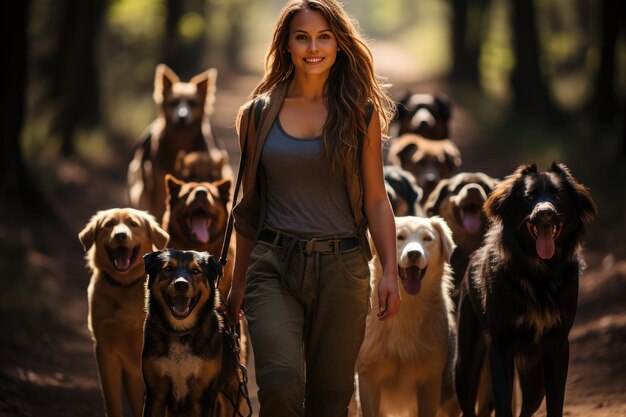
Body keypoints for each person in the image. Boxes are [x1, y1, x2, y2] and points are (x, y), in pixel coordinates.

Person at [225, 1, 401, 416]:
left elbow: (377, 198)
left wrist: (389, 270)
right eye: (301, 37)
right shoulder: (257, 115)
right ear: (286, 45)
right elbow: (249, 209)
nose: (313, 48)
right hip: (272, 267)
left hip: (342, 270)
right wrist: (235, 286)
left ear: (340, 44)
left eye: (324, 37)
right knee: (281, 386)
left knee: (329, 400)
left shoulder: (360, 113)